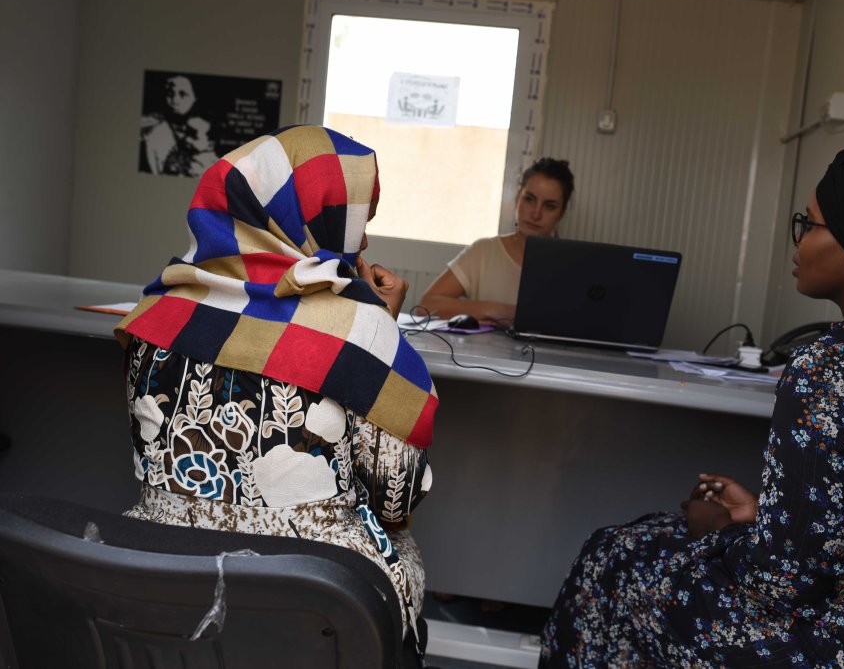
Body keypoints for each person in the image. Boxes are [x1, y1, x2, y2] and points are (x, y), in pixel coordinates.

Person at [540, 134, 844, 668]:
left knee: (612, 556)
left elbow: (781, 582)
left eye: (809, 225)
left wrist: (723, 526)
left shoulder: (832, 363)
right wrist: (767, 514)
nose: (797, 243)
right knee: (648, 541)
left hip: (836, 639)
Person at [115, 125, 437, 655]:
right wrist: (378, 325)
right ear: (320, 220)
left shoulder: (154, 311)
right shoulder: (362, 330)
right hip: (312, 604)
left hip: (164, 579)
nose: (365, 241)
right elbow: (395, 500)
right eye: (360, 222)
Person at [418, 157, 575, 326]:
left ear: (562, 213)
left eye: (549, 206)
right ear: (517, 198)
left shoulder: (572, 265)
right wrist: (500, 311)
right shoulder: (484, 251)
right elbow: (426, 306)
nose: (536, 214)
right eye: (529, 199)